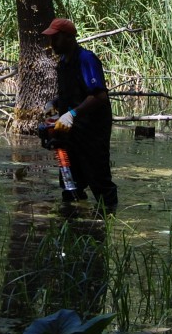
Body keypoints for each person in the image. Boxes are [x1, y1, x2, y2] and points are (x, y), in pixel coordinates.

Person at [42, 18, 118, 212]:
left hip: (92, 131)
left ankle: (107, 223)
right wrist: (53, 104)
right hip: (70, 133)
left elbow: (99, 96)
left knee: (99, 182)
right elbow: (71, 93)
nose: (51, 44)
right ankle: (72, 227)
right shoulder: (63, 62)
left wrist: (72, 114)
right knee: (69, 185)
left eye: (55, 39)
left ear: (68, 38)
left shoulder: (86, 59)